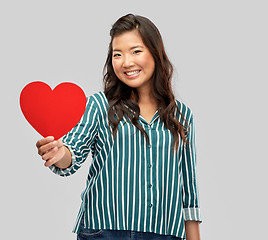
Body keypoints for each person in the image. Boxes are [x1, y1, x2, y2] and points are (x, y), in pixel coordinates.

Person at [36, 14, 202, 240]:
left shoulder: (181, 116)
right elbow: (71, 155)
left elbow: (188, 191)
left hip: (163, 233)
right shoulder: (97, 105)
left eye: (136, 51)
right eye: (117, 54)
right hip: (104, 231)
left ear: (155, 53)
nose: (126, 62)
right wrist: (58, 152)